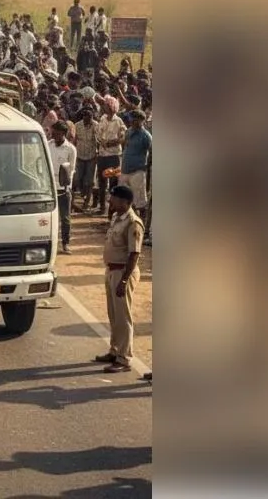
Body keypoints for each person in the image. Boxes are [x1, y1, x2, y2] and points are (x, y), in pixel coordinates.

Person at [94, 185, 144, 373]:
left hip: (123, 272)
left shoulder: (133, 223)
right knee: (113, 314)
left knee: (123, 317)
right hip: (111, 271)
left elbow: (134, 254)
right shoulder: (117, 218)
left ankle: (124, 358)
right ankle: (114, 350)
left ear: (125, 202)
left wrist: (124, 280)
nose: (110, 201)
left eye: (113, 199)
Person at [121, 110, 153, 241]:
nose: (132, 121)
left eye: (135, 119)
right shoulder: (128, 131)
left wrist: (147, 170)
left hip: (138, 171)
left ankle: (142, 229)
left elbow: (151, 153)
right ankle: (128, 226)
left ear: (141, 121)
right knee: (125, 200)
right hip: (125, 170)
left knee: (140, 202)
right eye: (131, 119)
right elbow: (126, 147)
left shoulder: (146, 136)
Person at [48, 121, 77, 254]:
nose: (53, 135)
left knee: (65, 218)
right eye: (53, 132)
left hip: (63, 188)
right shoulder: (49, 145)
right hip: (49, 188)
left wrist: (66, 184)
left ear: (63, 133)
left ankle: (65, 243)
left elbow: (71, 169)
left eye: (56, 133)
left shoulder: (70, 149)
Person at [95, 96, 126, 217]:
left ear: (113, 108)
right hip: (102, 154)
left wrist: (110, 142)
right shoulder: (102, 118)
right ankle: (102, 207)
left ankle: (111, 210)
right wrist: (101, 142)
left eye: (107, 106)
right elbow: (98, 133)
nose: (105, 108)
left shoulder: (119, 121)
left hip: (114, 155)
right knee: (102, 182)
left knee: (113, 183)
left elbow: (122, 137)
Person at [73, 107, 99, 210]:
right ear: (83, 118)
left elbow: (98, 141)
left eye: (91, 118)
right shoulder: (77, 125)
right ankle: (79, 199)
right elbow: (75, 140)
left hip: (91, 157)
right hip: (79, 156)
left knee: (89, 181)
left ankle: (87, 202)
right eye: (87, 118)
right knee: (78, 180)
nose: (89, 120)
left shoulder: (95, 125)